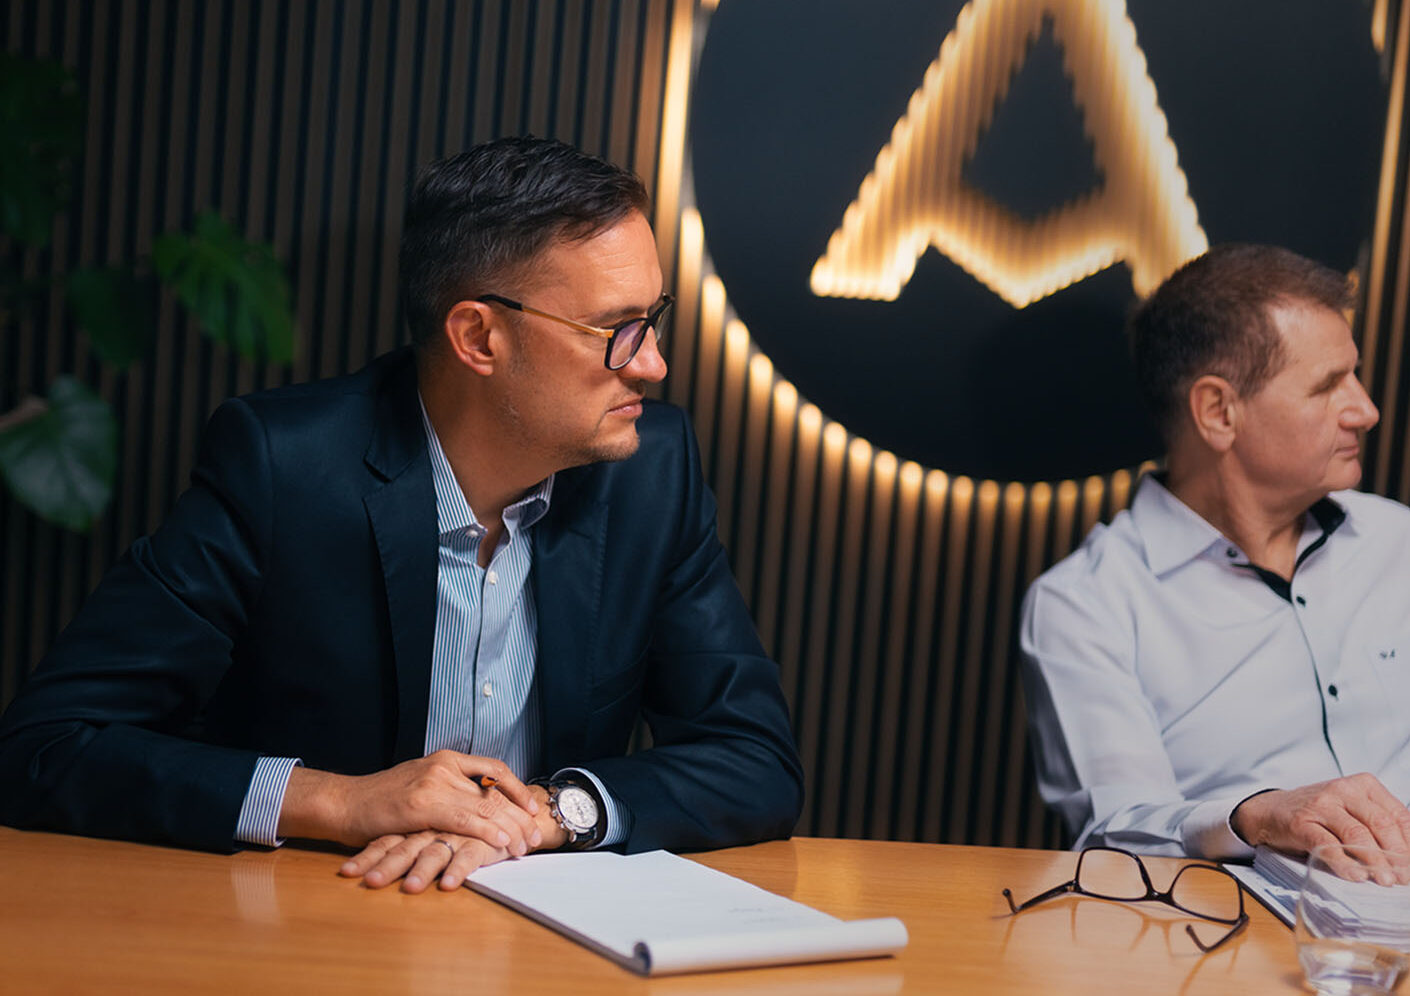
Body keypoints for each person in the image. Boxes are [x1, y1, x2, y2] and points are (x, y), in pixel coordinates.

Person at [0, 136, 804, 892]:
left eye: (652, 319)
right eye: (616, 330)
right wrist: (342, 801)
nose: (653, 364)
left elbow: (753, 757)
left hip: (546, 937)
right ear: (478, 337)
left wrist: (549, 815)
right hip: (313, 921)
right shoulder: (284, 467)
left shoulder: (650, 472)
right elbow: (47, 745)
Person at [1020, 243, 1410, 861]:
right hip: (1241, 915)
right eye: (1328, 386)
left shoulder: (1399, 541)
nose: (1366, 410)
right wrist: (1256, 815)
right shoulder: (1085, 605)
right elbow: (1114, 831)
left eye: (1354, 375)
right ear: (1218, 412)